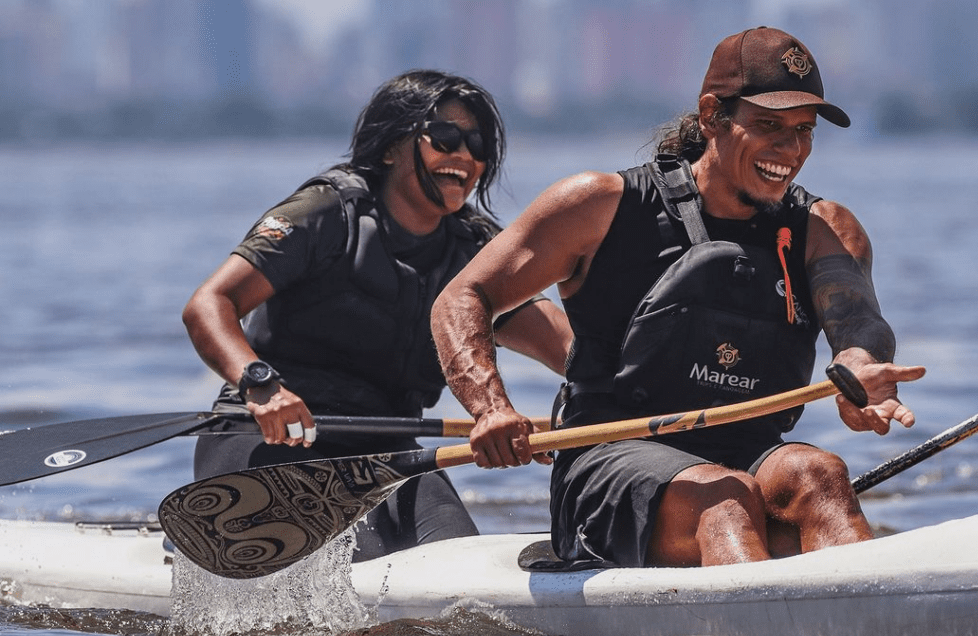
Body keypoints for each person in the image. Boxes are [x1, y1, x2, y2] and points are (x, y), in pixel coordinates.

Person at [431, 28, 927, 569]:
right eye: (768, 125)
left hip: (750, 455)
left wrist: (859, 367)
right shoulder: (599, 206)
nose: (791, 150)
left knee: (821, 475)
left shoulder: (823, 229)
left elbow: (859, 327)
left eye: (804, 131)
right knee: (725, 497)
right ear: (713, 116)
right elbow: (463, 296)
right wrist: (491, 409)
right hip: (607, 462)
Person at [182, 69, 572, 562]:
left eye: (478, 144)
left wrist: (609, 390)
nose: (465, 157)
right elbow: (209, 305)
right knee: (357, 563)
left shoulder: (474, 249)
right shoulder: (326, 212)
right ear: (391, 148)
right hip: (273, 436)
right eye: (445, 136)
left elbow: (567, 347)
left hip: (387, 451)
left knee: (458, 572)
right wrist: (261, 386)